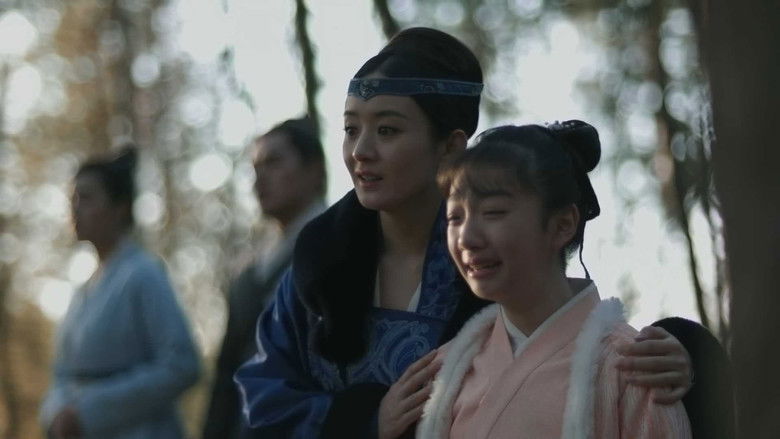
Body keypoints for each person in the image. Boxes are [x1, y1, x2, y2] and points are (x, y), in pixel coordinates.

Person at [235, 28, 700, 439]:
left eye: (388, 130)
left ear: (451, 145)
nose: (361, 151)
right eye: (351, 129)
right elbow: (262, 394)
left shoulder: (493, 256)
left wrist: (685, 352)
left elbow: (572, 339)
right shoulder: (320, 260)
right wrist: (362, 421)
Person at [417, 121, 691, 438]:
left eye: (493, 212)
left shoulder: (631, 367)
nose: (466, 238)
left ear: (562, 225)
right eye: (455, 217)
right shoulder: (446, 369)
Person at [39, 147, 201, 439]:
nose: (75, 208)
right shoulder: (82, 290)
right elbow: (61, 373)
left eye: (87, 198)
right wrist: (56, 412)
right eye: (73, 199)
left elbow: (182, 365)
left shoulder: (144, 274)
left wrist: (89, 412)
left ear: (120, 208)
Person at [202, 117, 327, 439]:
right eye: (255, 168)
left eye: (274, 163)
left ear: (314, 169)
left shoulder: (340, 249)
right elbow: (227, 372)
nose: (260, 179)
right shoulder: (249, 269)